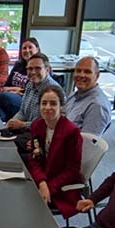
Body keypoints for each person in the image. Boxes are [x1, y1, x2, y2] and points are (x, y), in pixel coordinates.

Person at [24, 85, 83, 219]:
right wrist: (42, 182)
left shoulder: (72, 132)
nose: (47, 107)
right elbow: (34, 158)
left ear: (61, 106)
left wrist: (48, 187)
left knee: (26, 204)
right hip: (42, 179)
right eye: (44, 103)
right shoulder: (37, 125)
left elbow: (72, 170)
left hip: (60, 186)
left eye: (53, 103)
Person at [5, 53, 61, 133]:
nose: (33, 72)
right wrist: (11, 123)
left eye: (38, 68)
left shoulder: (53, 90)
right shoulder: (30, 84)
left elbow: (49, 124)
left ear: (47, 70)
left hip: (42, 135)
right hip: (27, 130)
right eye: (30, 69)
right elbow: (22, 112)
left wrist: (23, 125)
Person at [0, 38, 40, 122]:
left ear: (37, 49)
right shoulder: (18, 65)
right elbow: (6, 86)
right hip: (10, 97)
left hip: (25, 103)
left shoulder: (40, 68)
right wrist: (15, 90)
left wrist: (12, 91)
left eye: (30, 47)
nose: (27, 50)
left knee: (4, 96)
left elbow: (28, 91)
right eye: (24, 48)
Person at [63, 57, 112, 136]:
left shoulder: (97, 106)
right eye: (78, 71)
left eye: (87, 72)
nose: (81, 75)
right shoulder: (75, 94)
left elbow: (87, 145)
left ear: (97, 76)